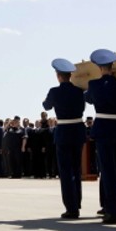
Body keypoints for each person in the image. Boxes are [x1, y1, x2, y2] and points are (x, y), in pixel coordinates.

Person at [84, 49, 116, 224]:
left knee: (108, 173)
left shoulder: (94, 84)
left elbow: (88, 99)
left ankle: (115, 211)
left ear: (99, 68)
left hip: (103, 129)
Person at [43, 58, 86, 219]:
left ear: (58, 76)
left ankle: (71, 207)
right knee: (76, 169)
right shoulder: (79, 91)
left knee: (66, 172)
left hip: (64, 132)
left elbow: (46, 106)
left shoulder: (54, 91)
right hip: (77, 130)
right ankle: (77, 202)